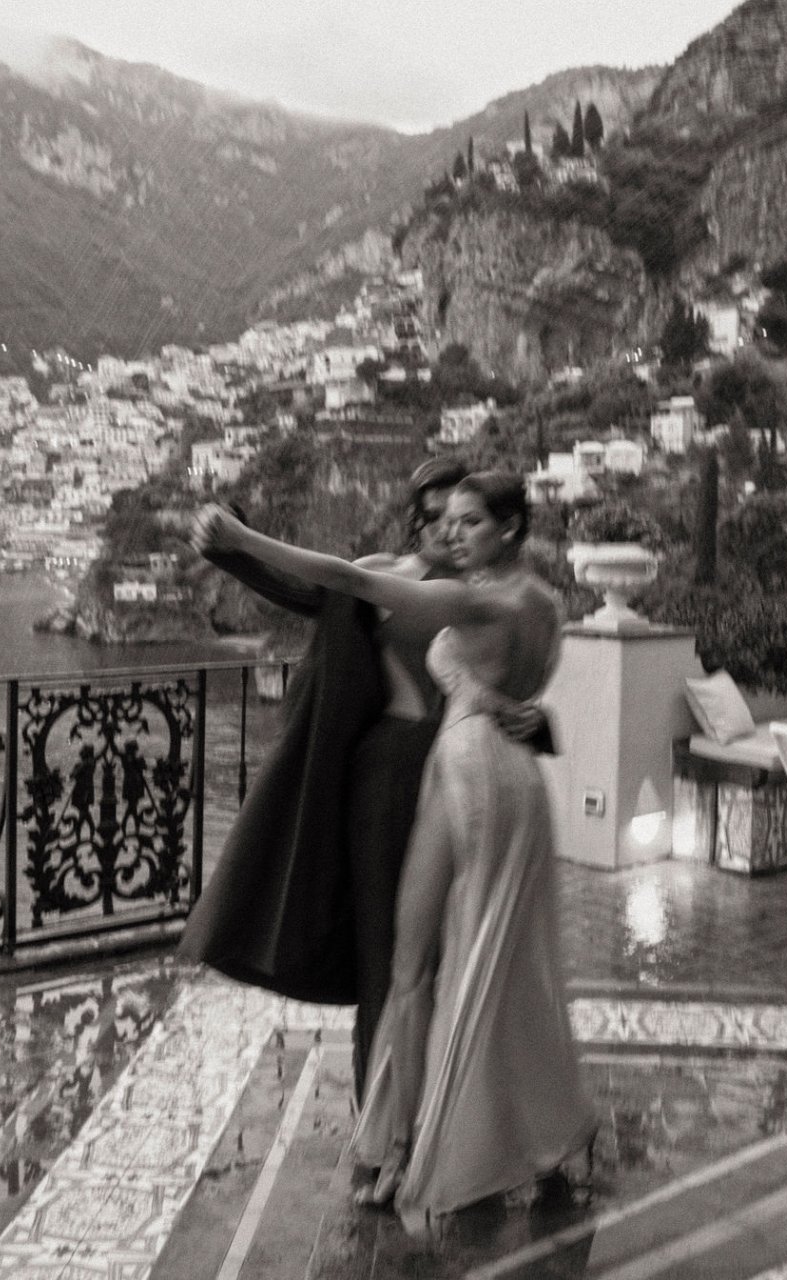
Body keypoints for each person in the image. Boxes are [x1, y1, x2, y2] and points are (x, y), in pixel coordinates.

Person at [190, 473, 596, 1233]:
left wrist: (240, 538)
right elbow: (322, 589)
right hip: (439, 770)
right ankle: (399, 1140)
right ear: (418, 521)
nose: (451, 531)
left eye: (467, 520)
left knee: (466, 962)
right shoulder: (502, 593)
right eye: (442, 518)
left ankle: (453, 1141)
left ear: (504, 529)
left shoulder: (483, 596)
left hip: (465, 771)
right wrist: (233, 550)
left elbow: (355, 589)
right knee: (412, 963)